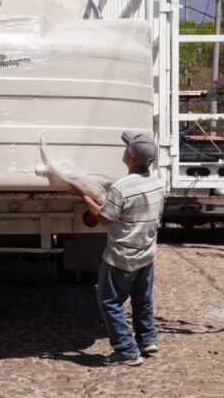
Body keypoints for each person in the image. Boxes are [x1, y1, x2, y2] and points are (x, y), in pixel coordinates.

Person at [81, 130, 165, 367]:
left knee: (110, 302)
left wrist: (85, 197)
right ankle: (148, 339)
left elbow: (105, 218)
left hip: (121, 257)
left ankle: (127, 351)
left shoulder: (121, 187)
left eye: (126, 147)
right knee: (142, 299)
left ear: (130, 157)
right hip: (146, 254)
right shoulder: (158, 183)